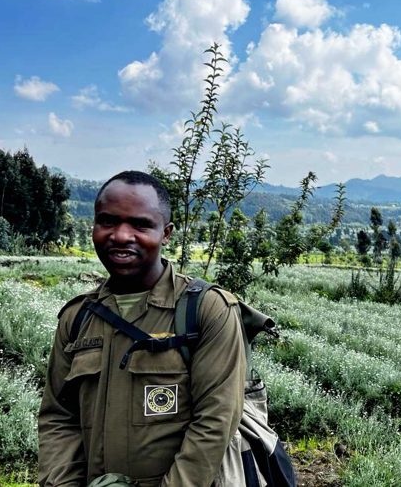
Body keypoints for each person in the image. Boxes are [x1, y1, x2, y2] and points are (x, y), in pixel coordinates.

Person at [38, 171, 246, 486]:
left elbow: (214, 426)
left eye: (140, 224)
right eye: (107, 221)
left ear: (166, 233)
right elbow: (58, 418)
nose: (121, 236)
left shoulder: (206, 311)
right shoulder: (77, 318)